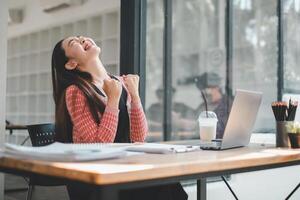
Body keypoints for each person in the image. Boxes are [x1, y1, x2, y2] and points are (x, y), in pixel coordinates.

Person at [51, 36, 188, 200]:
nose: (82, 40)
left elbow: (138, 138)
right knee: (164, 188)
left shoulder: (119, 83)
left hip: (121, 169)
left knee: (169, 182)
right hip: (97, 179)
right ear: (71, 64)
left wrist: (135, 96)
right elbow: (99, 145)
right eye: (74, 43)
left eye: (81, 37)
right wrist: (113, 100)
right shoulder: (76, 91)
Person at [194, 72, 232, 139]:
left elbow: (221, 128)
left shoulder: (228, 105)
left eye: (206, 89)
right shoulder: (202, 107)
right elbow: (194, 119)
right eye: (202, 91)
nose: (204, 93)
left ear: (216, 87)